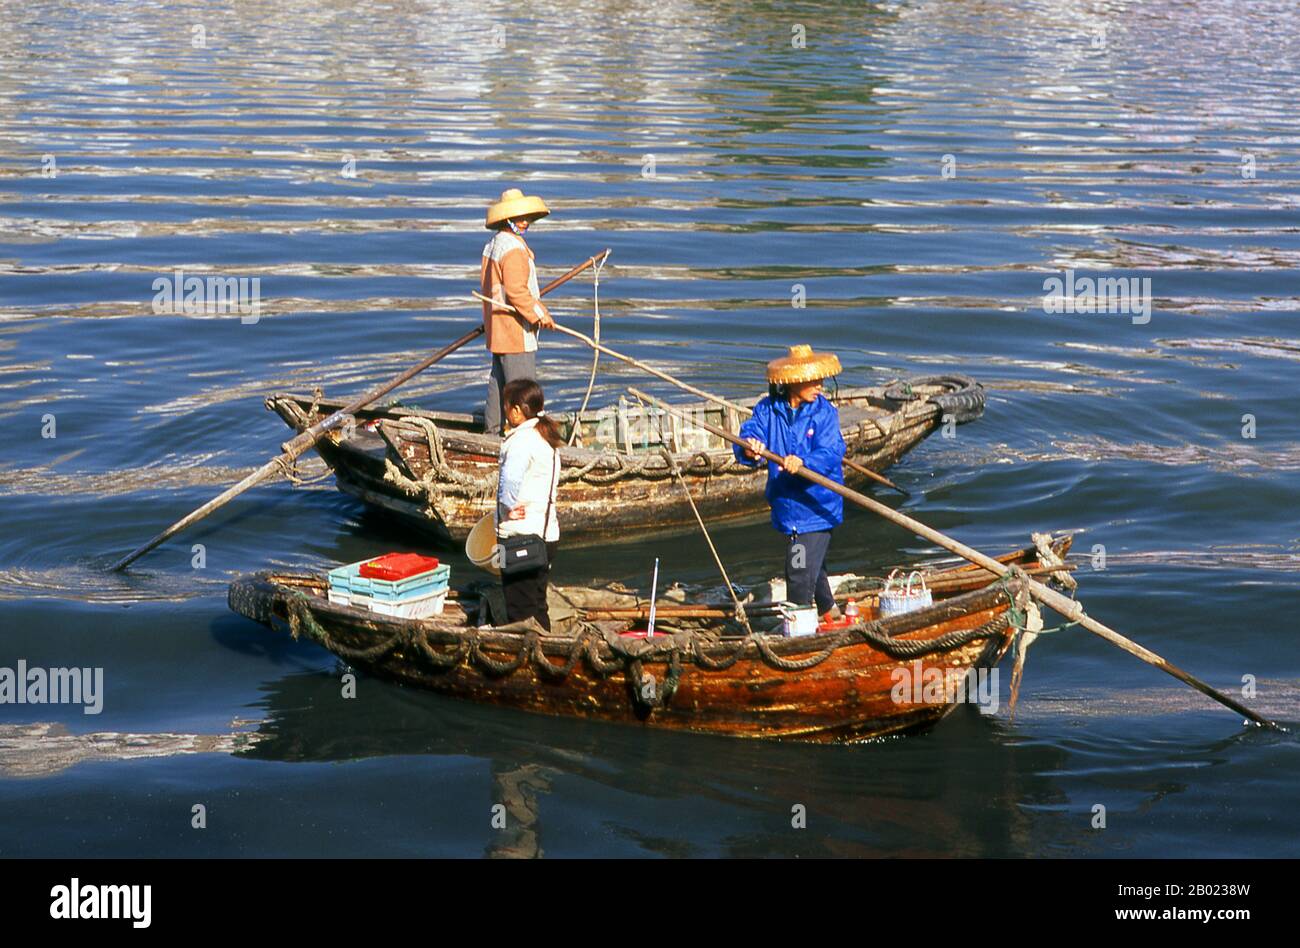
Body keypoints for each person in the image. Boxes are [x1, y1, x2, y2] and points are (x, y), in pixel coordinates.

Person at [733, 345, 847, 623]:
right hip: (787, 506)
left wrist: (803, 462)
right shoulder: (767, 410)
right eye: (813, 381)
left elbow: (832, 451)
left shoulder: (824, 414)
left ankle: (799, 633)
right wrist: (751, 448)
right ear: (793, 382)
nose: (820, 386)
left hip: (818, 507)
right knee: (813, 567)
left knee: (798, 571)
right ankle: (829, 612)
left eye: (821, 380)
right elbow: (750, 433)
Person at [481, 188, 556, 436]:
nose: (525, 222)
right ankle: (526, 435)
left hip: (498, 329)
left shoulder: (494, 245)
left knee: (499, 383)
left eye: (527, 217)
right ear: (507, 219)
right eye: (519, 218)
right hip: (515, 331)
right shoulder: (513, 249)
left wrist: (539, 309)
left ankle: (492, 432)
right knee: (523, 389)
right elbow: (516, 292)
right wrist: (539, 314)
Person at [496, 378, 562, 631]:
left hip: (517, 536)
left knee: (518, 607)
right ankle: (546, 649)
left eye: (506, 406)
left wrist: (508, 506)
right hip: (546, 535)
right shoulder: (546, 436)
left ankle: (526, 660)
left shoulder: (522, 441)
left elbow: (510, 481)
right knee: (537, 603)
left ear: (516, 410)